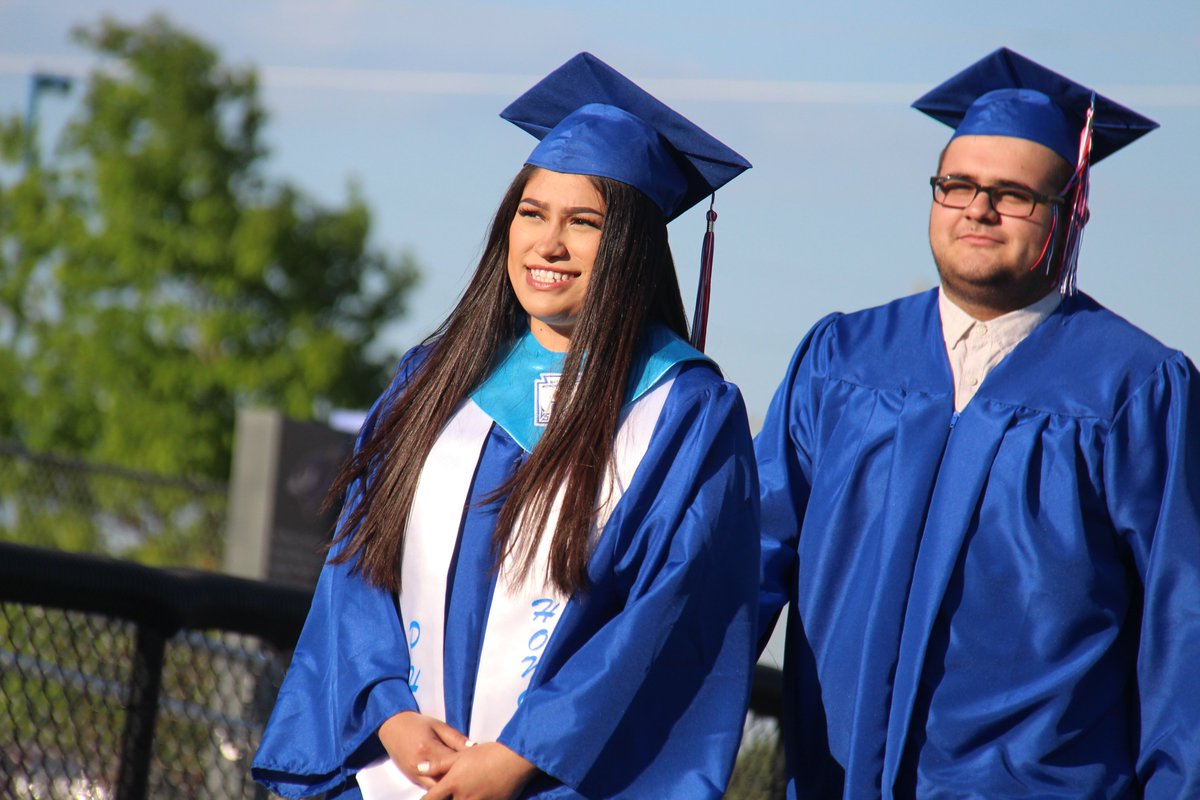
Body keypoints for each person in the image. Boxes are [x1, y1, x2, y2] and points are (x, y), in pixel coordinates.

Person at [253, 52, 759, 800]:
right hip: (395, 772)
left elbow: (663, 616)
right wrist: (389, 710)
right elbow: (360, 559)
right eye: (532, 214)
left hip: (557, 780)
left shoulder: (682, 412)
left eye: (583, 223)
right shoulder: (436, 379)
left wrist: (523, 754)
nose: (547, 244)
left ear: (629, 248)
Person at [757, 47, 1200, 799]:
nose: (978, 208)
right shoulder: (841, 360)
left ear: (1069, 213)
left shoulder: (1133, 386)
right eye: (956, 185)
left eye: (1014, 194)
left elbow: (1181, 624)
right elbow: (747, 560)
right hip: (836, 779)